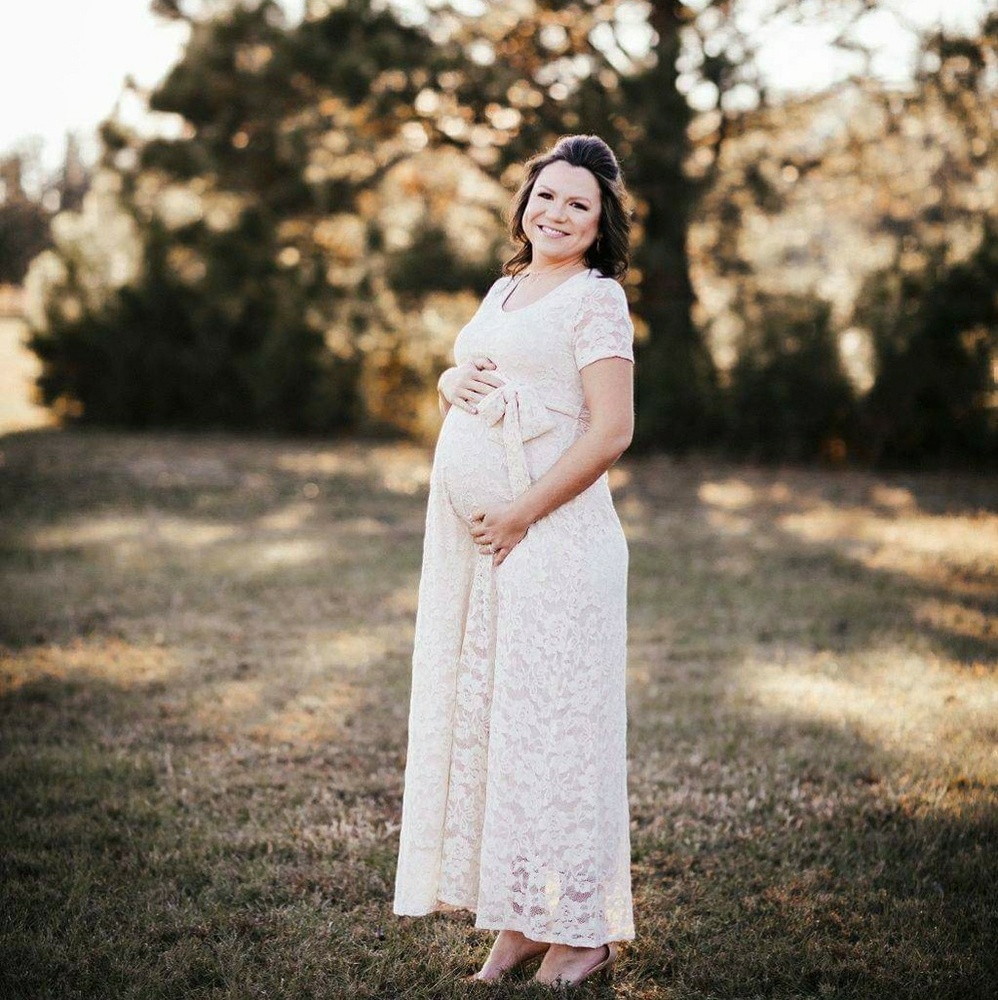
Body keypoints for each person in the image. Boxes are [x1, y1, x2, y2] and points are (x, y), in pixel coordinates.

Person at [393, 134, 635, 988]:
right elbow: (480, 369)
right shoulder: (506, 286)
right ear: (525, 200)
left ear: (601, 224)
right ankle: (520, 920)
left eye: (579, 204)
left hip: (557, 542)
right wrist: (447, 385)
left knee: (556, 741)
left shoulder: (597, 300)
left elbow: (609, 430)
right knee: (506, 738)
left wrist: (523, 514)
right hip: (491, 548)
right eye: (546, 195)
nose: (556, 212)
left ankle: (581, 931)